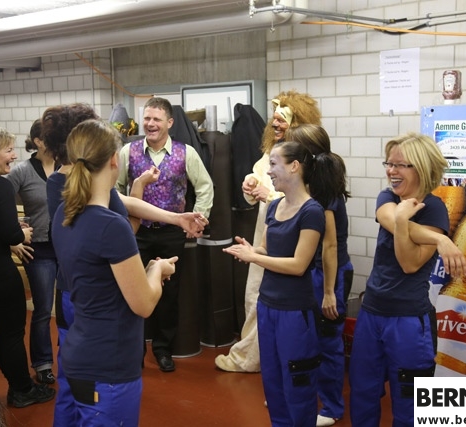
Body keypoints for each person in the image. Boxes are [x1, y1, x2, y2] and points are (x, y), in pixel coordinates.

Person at [42, 103, 208, 426]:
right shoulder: (111, 227)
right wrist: (156, 270)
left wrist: (174, 218)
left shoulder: (65, 213)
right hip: (110, 365)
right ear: (114, 161)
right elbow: (144, 304)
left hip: (79, 355)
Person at [348, 133, 466, 427]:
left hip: (408, 320)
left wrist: (404, 221)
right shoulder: (388, 197)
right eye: (389, 163)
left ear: (421, 167)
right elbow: (389, 218)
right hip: (372, 312)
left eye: (400, 165)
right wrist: (439, 239)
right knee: (362, 392)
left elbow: (409, 263)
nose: (391, 171)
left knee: (409, 402)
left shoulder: (435, 209)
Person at [215, 90, 321, 373]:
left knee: (279, 300)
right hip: (266, 233)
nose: (275, 125)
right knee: (254, 294)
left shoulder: (308, 158)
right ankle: (253, 356)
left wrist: (270, 195)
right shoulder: (271, 151)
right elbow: (260, 177)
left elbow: (306, 202)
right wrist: (250, 185)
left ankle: (264, 358)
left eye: (282, 120)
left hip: (292, 239)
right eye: (273, 120)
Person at [223, 139, 326, 426]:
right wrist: (252, 250)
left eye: (273, 164)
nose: (268, 171)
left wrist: (255, 258)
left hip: (295, 311)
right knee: (273, 382)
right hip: (268, 306)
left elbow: (298, 265)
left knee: (297, 383)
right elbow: (267, 250)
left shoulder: (312, 211)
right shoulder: (274, 206)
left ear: (294, 166)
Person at [116, 97, 214, 373]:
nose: (150, 124)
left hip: (172, 234)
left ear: (169, 123)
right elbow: (117, 189)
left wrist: (198, 218)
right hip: (136, 233)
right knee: (132, 291)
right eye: (147, 118)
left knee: (169, 294)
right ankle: (135, 352)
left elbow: (205, 187)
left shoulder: (186, 153)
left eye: (156, 119)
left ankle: (163, 350)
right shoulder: (128, 151)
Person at [0, 128, 56, 408]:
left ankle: (17, 385)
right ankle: (22, 390)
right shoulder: (0, 185)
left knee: (1, 331)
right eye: (8, 150)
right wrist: (23, 235)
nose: (14, 155)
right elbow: (9, 233)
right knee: (12, 334)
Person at [286, 124, 352, 427]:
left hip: (328, 273)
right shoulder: (308, 186)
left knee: (327, 341)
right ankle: (306, 397)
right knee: (307, 339)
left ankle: (332, 406)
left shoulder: (325, 192)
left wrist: (328, 291)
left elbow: (330, 246)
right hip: (312, 271)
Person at [6, 118, 58, 385]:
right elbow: (1, 205)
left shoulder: (68, 166)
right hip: (38, 250)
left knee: (72, 305)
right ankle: (43, 363)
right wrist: (15, 233)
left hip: (69, 246)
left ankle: (72, 358)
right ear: (38, 141)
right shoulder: (22, 172)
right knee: (43, 309)